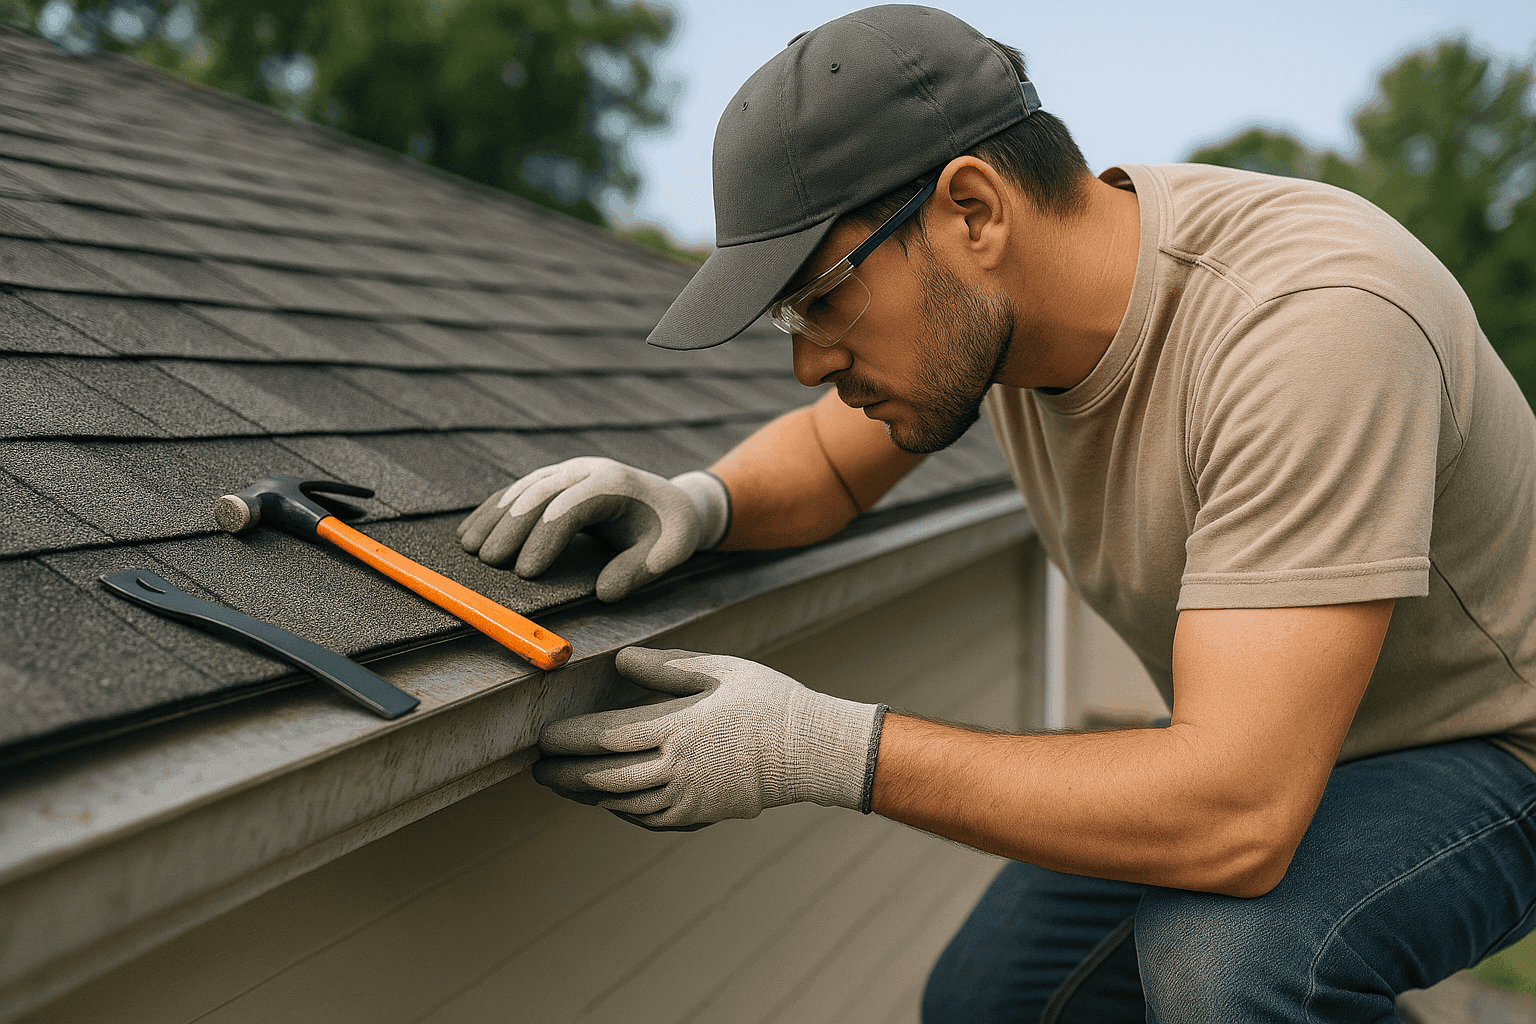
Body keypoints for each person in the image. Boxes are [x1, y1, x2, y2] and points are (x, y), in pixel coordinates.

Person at [455, 6, 1536, 1021]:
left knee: (1231, 958)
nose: (808, 364)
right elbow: (829, 465)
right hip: (1279, 733)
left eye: (823, 300)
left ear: (972, 209)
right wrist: (697, 502)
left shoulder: (1309, 328)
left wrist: (815, 747)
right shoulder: (1010, 307)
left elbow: (1238, 817)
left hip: (1495, 741)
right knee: (993, 997)